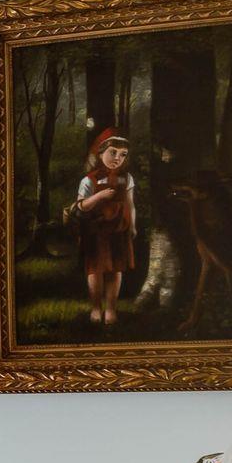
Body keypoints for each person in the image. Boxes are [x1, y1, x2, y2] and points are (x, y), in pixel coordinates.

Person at [66, 128, 137, 328]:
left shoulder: (127, 178)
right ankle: (96, 307)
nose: (117, 158)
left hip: (118, 230)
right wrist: (98, 196)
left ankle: (111, 309)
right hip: (96, 231)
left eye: (122, 155)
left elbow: (130, 204)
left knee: (115, 269)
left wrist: (132, 226)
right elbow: (81, 206)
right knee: (95, 270)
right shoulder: (89, 179)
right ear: (100, 153)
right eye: (112, 152)